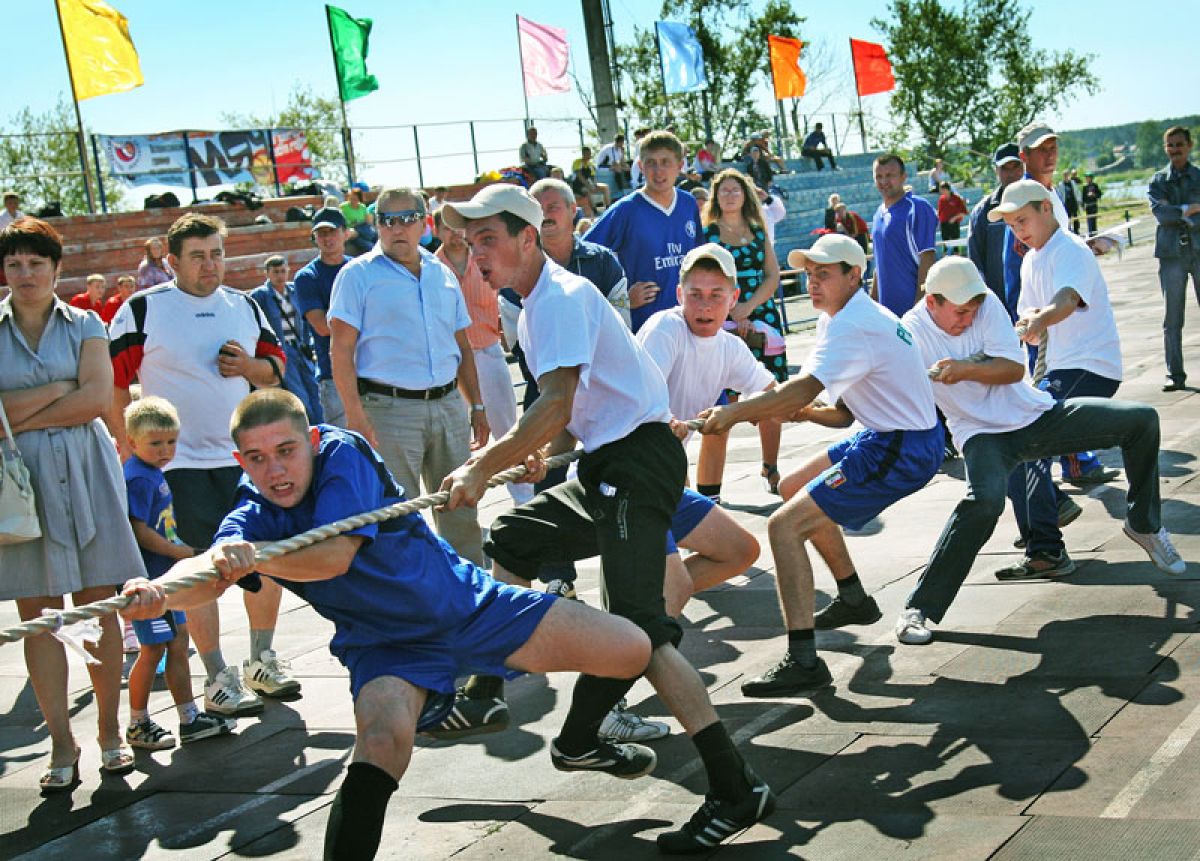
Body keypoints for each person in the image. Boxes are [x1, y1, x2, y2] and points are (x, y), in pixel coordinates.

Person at [118, 388, 655, 860]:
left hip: (466, 607)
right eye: (257, 459)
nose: (275, 471)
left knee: (631, 648)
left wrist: (253, 557)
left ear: (311, 440)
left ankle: (577, 741)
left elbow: (335, 557)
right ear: (240, 461)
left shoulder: (341, 453)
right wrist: (156, 593)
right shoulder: (252, 510)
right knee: (380, 742)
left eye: (286, 451)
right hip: (386, 647)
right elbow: (208, 569)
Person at [440, 185, 776, 853]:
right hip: (608, 462)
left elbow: (557, 402)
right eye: (471, 243)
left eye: (489, 240)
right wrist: (539, 452)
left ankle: (735, 787)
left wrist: (483, 466)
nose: (477, 254)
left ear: (529, 237)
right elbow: (570, 410)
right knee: (513, 535)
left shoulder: (560, 299)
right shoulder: (533, 308)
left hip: (637, 462)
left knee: (641, 631)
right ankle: (488, 691)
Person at [698, 234, 943, 698]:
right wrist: (803, 411)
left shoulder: (855, 324)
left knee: (783, 528)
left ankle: (804, 660)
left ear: (855, 276)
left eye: (824, 274)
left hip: (900, 447)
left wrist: (734, 412)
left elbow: (802, 390)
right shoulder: (840, 318)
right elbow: (842, 413)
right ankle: (852, 597)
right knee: (792, 486)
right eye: (809, 274)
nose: (812, 282)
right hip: (885, 435)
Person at [895, 256, 1184, 644]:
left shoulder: (985, 304)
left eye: (972, 309)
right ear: (932, 301)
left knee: (1142, 420)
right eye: (960, 312)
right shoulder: (910, 332)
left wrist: (964, 368)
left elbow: (1012, 370)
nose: (968, 318)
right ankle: (918, 609)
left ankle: (1144, 524)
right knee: (983, 503)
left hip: (1034, 416)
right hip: (982, 435)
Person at [108, 212, 296, 718]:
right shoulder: (142, 309)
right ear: (171, 261)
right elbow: (113, 382)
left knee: (265, 559)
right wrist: (128, 449)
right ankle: (216, 677)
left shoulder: (244, 305)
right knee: (197, 572)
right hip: (178, 466)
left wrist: (248, 367)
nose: (209, 265)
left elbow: (275, 370)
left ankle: (262, 660)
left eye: (216, 254)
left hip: (243, 459)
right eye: (197, 256)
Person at [0, 216, 142, 790]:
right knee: (39, 620)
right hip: (20, 488)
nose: (25, 274)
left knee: (98, 609)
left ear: (56, 269)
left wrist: (17, 410)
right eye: (14, 263)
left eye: (36, 263)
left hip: (87, 476)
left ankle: (110, 732)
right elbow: (72, 396)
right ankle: (62, 742)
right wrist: (59, 390)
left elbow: (94, 401)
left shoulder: (86, 323)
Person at [328, 186, 488, 566]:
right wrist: (355, 416)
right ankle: (410, 594)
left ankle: (470, 592)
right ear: (376, 225)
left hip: (448, 405)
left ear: (424, 222)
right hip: (389, 410)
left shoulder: (441, 274)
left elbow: (462, 345)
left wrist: (478, 406)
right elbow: (341, 350)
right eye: (387, 220)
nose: (396, 228)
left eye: (406, 218)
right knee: (398, 517)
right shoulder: (357, 276)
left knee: (461, 508)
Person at [1001, 122, 1115, 487]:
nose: (1018, 231)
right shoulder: (1030, 249)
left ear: (1046, 210)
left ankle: (1050, 507)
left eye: (1022, 222)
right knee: (1021, 428)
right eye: (1012, 225)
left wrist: (1040, 319)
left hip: (1087, 361)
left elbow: (1066, 298)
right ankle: (1051, 508)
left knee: (1032, 429)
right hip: (1058, 355)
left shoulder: (1062, 238)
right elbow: (1026, 301)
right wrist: (1024, 323)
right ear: (1025, 156)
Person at [122, 396, 235, 750]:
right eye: (155, 443)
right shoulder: (138, 478)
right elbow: (139, 530)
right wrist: (180, 553)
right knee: (153, 650)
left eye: (171, 441)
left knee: (178, 642)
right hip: (149, 579)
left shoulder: (153, 473)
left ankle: (189, 717)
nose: (165, 450)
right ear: (132, 441)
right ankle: (138, 722)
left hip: (166, 578)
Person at [702, 169, 787, 497]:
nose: (729, 195)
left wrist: (747, 309)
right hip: (722, 316)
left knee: (770, 396)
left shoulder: (758, 229)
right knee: (722, 401)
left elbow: (772, 275)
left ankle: (770, 466)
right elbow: (704, 279)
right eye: (723, 190)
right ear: (715, 196)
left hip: (760, 314)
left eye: (735, 190)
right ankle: (711, 486)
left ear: (745, 194)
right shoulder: (708, 234)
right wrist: (730, 312)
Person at [432, 207, 524, 505]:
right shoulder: (431, 270)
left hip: (488, 351)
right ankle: (461, 501)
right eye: (446, 228)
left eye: (457, 229)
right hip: (451, 363)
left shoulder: (485, 260)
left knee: (507, 427)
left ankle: (525, 497)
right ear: (436, 231)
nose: (454, 234)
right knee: (457, 436)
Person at [584, 130, 702, 332]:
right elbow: (583, 258)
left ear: (680, 165)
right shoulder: (626, 209)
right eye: (651, 163)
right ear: (640, 166)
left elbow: (699, 259)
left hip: (687, 322)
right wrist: (621, 299)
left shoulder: (688, 203)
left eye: (665, 162)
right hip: (644, 326)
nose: (658, 171)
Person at [1149, 125, 1200, 392]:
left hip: (1198, 250)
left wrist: (1176, 211)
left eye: (1179, 144)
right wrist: (1188, 210)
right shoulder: (1158, 181)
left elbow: (1170, 213)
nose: (1175, 150)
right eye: (1170, 145)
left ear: (1190, 146)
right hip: (1171, 255)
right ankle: (1175, 374)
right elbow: (1161, 213)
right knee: (1172, 318)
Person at [293, 207, 352, 426]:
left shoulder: (359, 269)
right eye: (321, 233)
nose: (327, 238)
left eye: (332, 231)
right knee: (345, 440)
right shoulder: (307, 277)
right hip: (334, 375)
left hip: (371, 369)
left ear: (346, 233)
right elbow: (322, 326)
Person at [250, 255, 324, 423]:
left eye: (283, 271)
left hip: (300, 347)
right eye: (276, 272)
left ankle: (322, 426)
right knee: (298, 392)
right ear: (267, 273)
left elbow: (306, 317)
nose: (280, 276)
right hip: (282, 350)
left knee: (315, 388)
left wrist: (307, 342)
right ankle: (308, 425)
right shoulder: (261, 295)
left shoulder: (294, 290)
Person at [871, 153, 938, 317]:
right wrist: (873, 305)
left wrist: (919, 310)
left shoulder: (917, 208)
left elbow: (927, 259)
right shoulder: (878, 214)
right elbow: (879, 265)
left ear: (903, 177)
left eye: (890, 175)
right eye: (879, 176)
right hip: (887, 316)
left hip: (912, 313)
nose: (884, 181)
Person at [968, 142, 1026, 301]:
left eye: (1016, 166)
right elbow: (976, 262)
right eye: (1005, 168)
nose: (1011, 173)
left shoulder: (1041, 201)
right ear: (996, 170)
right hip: (1000, 302)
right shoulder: (982, 212)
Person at [570, 146, 611, 215]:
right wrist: (589, 186)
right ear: (583, 154)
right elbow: (580, 176)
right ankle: (595, 210)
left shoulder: (590, 164)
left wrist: (594, 185)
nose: (588, 155)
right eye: (586, 153)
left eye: (589, 153)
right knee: (588, 191)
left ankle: (608, 207)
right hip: (578, 186)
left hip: (589, 184)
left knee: (605, 187)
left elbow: (592, 177)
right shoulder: (577, 162)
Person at [340, 186, 377, 255]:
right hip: (352, 230)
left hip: (362, 228)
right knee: (369, 246)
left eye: (355, 199)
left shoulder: (362, 207)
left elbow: (368, 220)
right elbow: (341, 221)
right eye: (351, 198)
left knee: (374, 234)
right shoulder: (343, 207)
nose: (353, 201)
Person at [1060, 169, 1081, 234]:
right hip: (1066, 203)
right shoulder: (1061, 184)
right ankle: (1068, 230)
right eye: (1065, 175)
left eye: (1067, 175)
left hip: (1073, 202)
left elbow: (1077, 192)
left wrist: (1079, 201)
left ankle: (1076, 230)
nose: (1066, 176)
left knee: (1075, 216)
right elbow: (1060, 194)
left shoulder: (1072, 183)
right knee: (1067, 217)